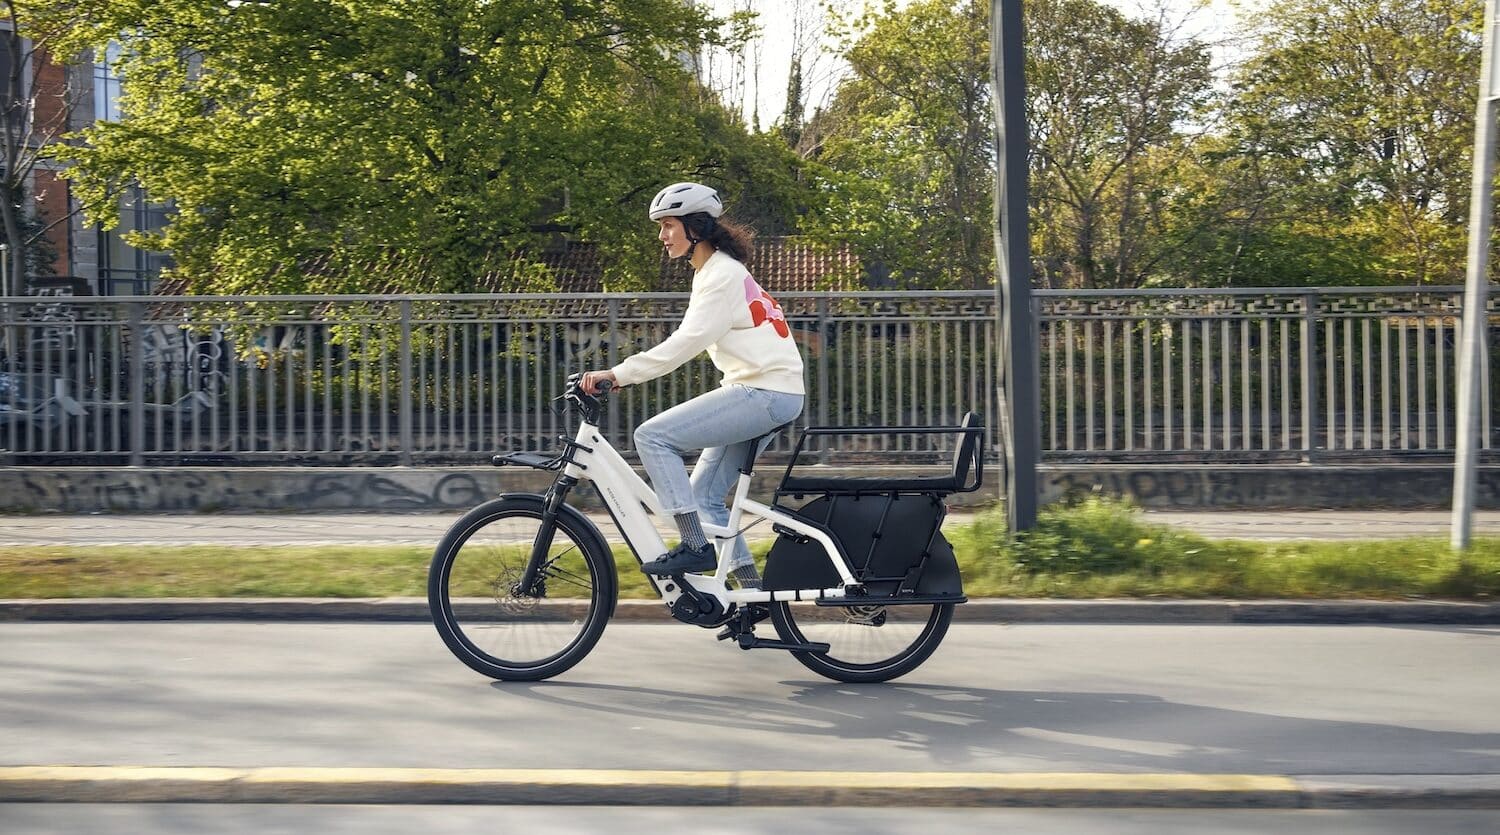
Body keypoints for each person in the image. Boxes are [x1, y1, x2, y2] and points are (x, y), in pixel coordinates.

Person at [581, 182, 805, 586]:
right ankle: (750, 595)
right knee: (702, 497)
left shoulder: (720, 275)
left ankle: (694, 546)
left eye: (668, 225)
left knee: (651, 437)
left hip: (763, 393)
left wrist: (619, 374)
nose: (662, 236)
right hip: (769, 392)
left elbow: (684, 344)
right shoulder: (717, 271)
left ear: (696, 227)